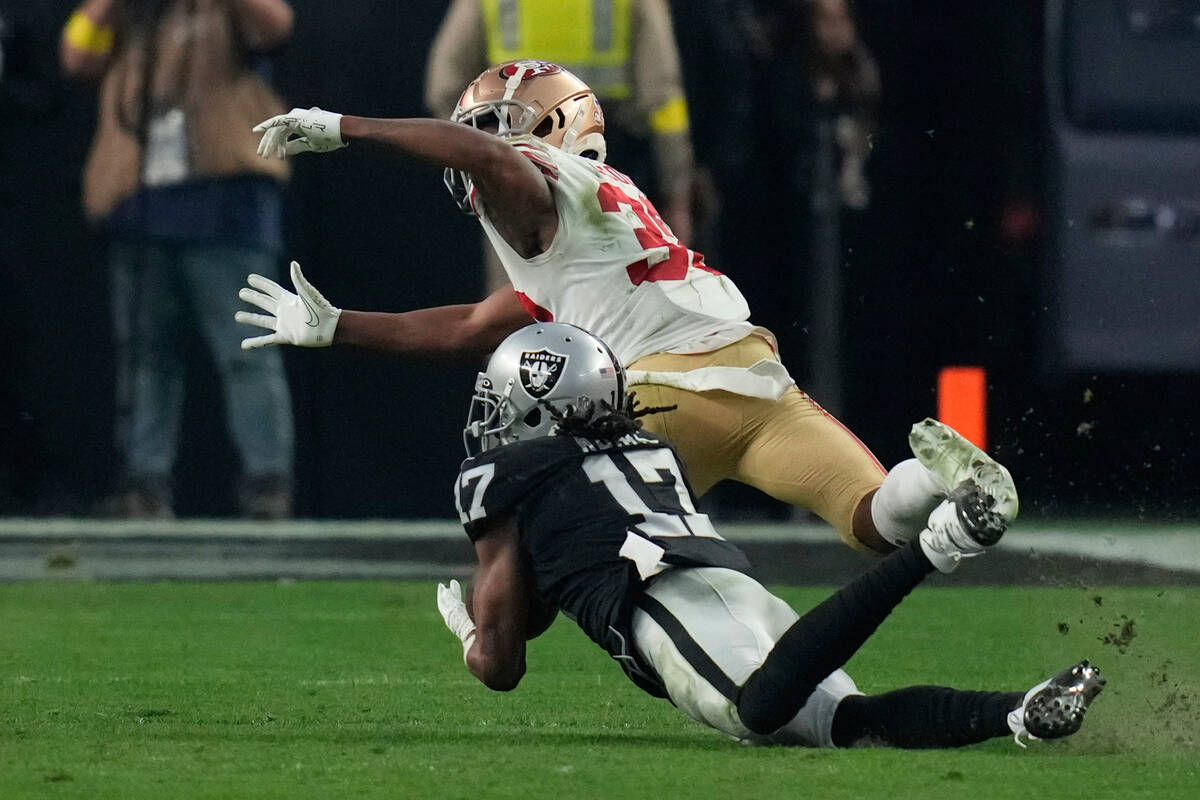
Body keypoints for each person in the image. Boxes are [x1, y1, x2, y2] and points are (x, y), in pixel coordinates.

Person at [238, 59, 1005, 553]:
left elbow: (489, 158)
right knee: (875, 519)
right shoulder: (605, 212)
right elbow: (474, 325)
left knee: (557, 547)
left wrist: (348, 128)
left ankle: (510, 640)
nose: (479, 144)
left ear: (549, 128)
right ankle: (942, 479)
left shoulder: (540, 185)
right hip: (757, 377)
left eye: (496, 124)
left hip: (663, 393)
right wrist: (339, 327)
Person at [434, 321, 1104, 748]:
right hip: (726, 579)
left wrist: (468, 631)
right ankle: (1020, 713)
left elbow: (502, 665)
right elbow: (551, 583)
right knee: (846, 721)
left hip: (657, 602)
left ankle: (940, 540)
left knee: (755, 708)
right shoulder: (647, 444)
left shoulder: (500, 472)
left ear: (541, 402)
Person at [61, 0, 297, 518]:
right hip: (138, 200)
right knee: (145, 356)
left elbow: (276, 25)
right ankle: (145, 485)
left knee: (247, 350)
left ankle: (267, 485)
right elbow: (76, 58)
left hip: (225, 201)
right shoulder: (132, 15)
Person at [425, 0, 701, 270]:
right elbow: (662, 99)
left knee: (521, 301)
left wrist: (485, 163)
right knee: (611, 297)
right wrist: (676, 194)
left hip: (517, 169)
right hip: (605, 171)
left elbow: (445, 87)